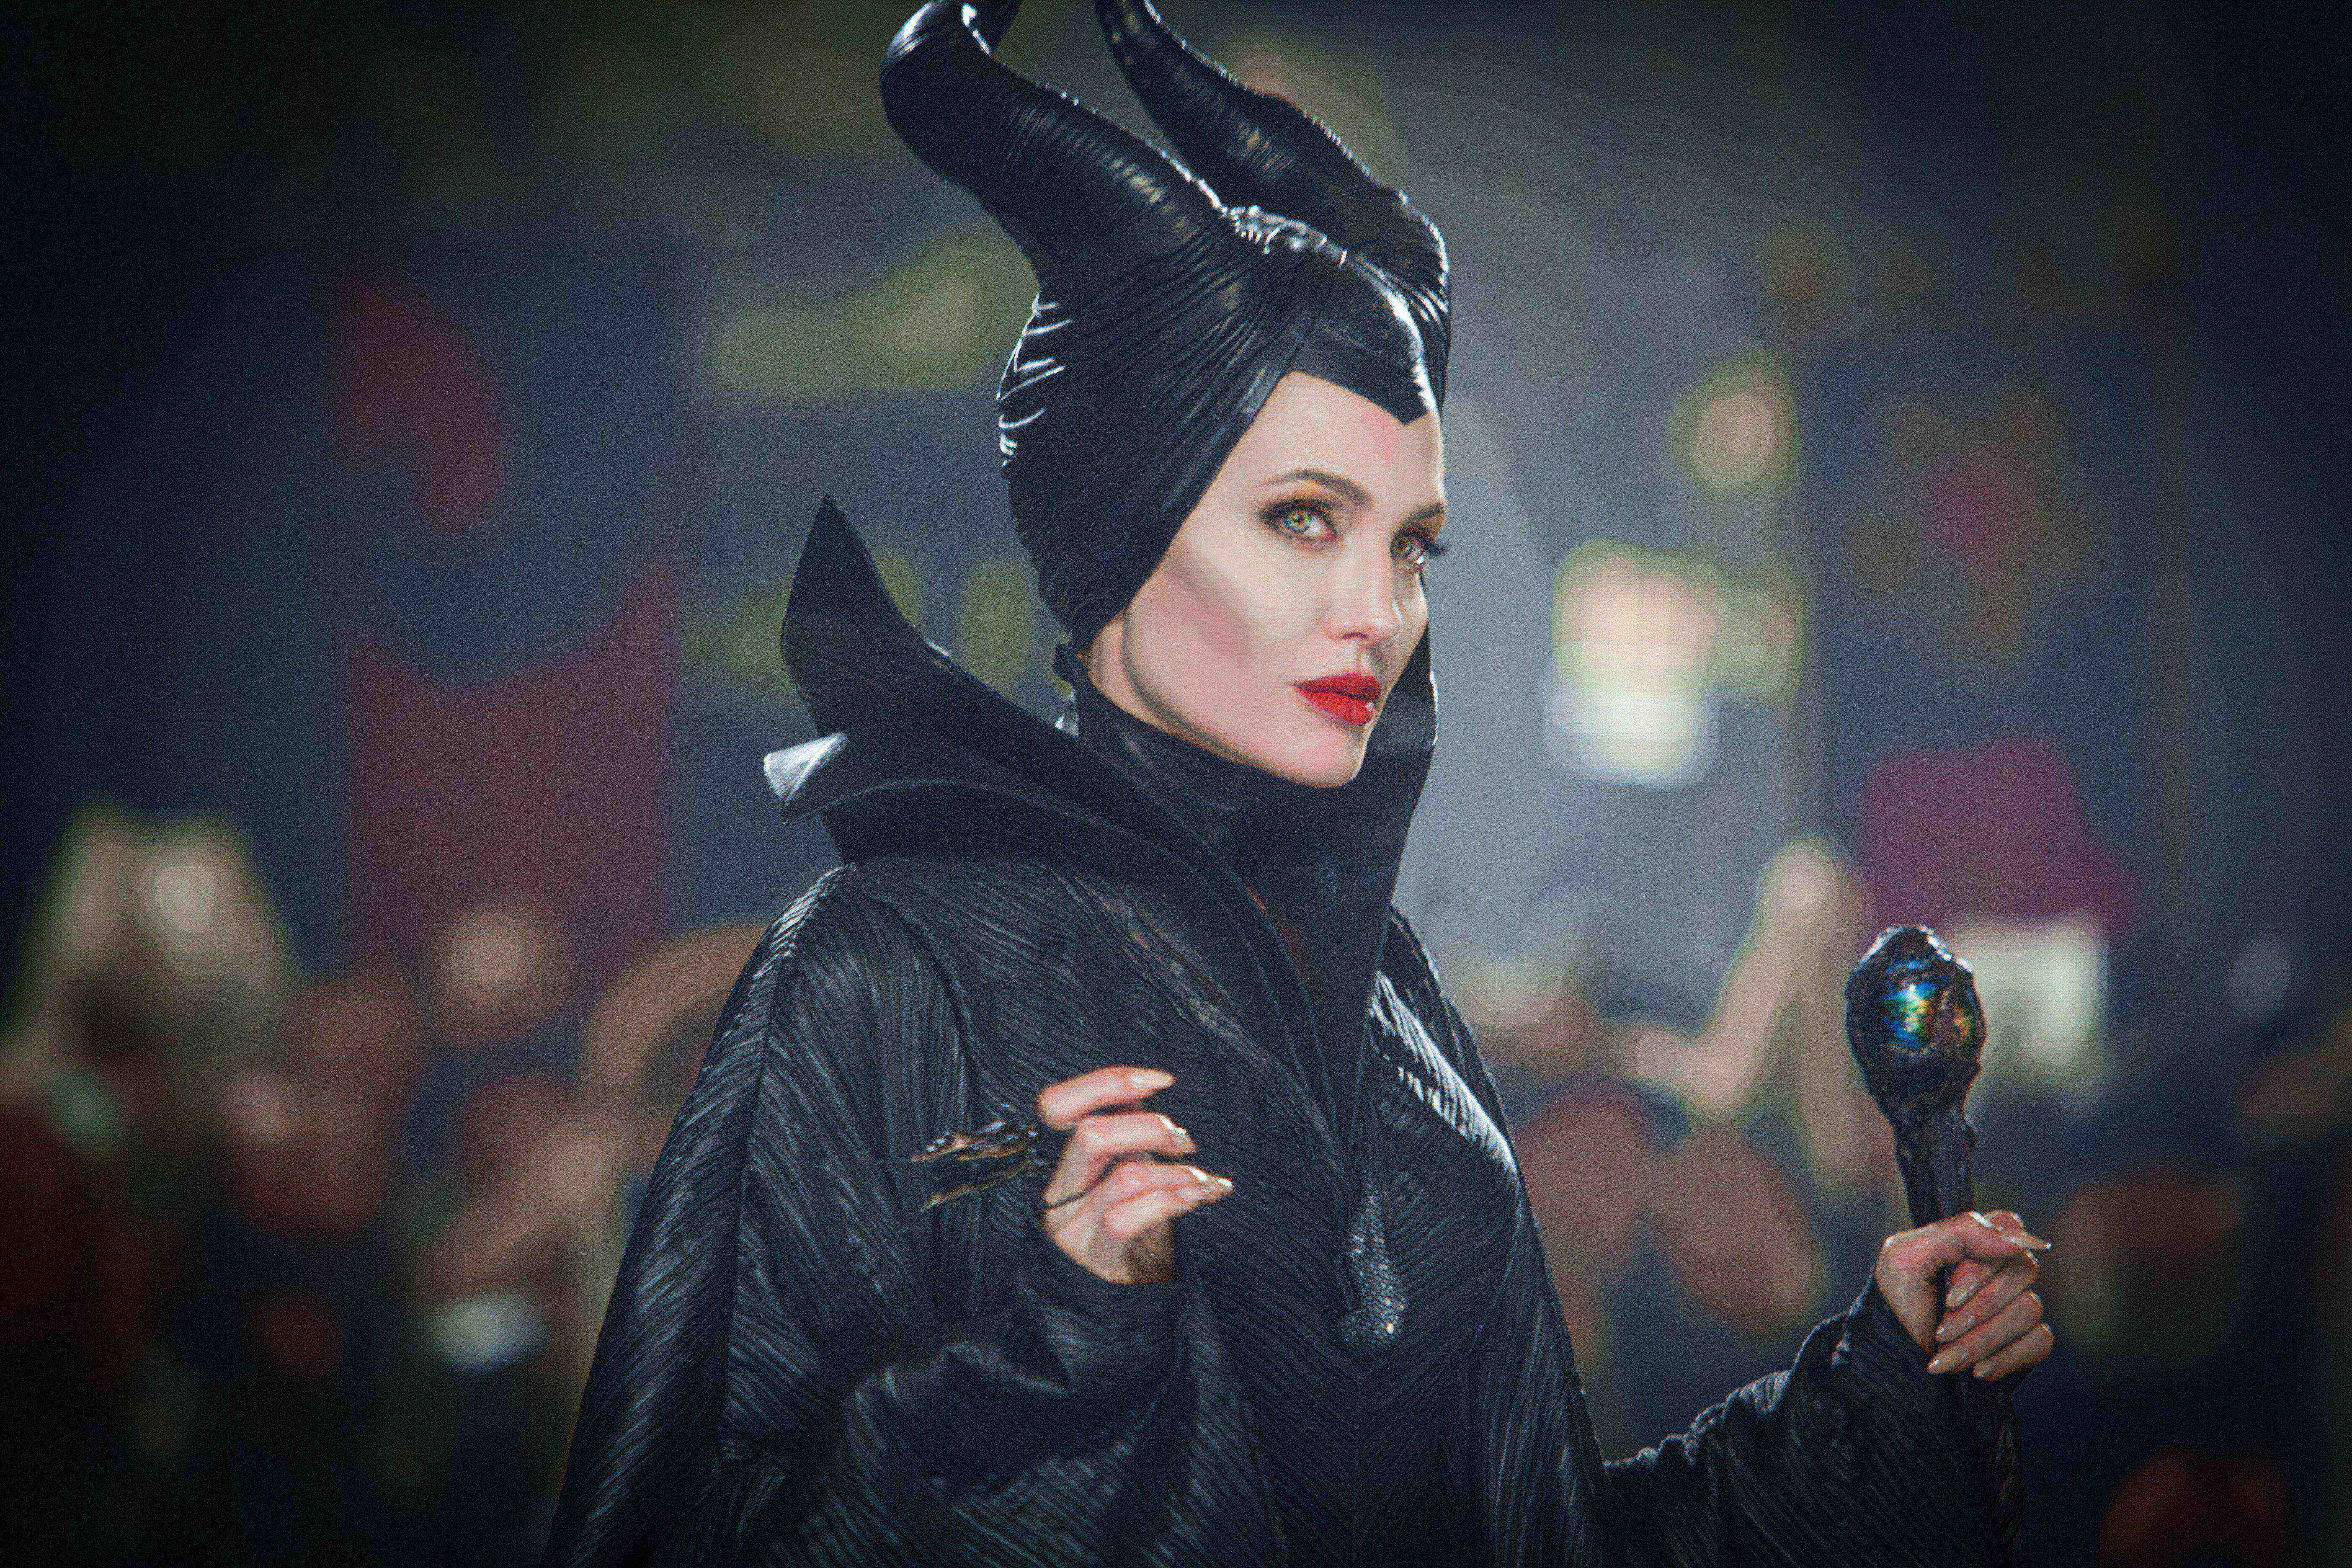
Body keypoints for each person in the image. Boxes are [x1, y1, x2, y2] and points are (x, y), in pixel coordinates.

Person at [539, 3, 2054, 1564]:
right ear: (1121, 520)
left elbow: (1545, 1541)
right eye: (1304, 520)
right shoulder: (884, 974)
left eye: (1411, 545)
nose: (1378, 612)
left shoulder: (1394, 1010)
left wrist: (1886, 1384)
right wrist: (1053, 1359)